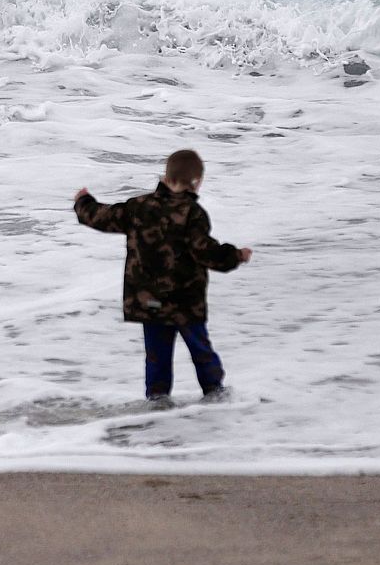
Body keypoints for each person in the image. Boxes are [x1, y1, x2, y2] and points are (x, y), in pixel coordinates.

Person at [73, 149, 251, 405]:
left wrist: (83, 201)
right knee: (201, 350)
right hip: (185, 302)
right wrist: (236, 255)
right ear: (197, 181)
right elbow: (206, 252)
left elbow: (101, 216)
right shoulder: (192, 213)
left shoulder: (139, 206)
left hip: (148, 300)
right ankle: (216, 394)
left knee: (156, 355)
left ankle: (157, 401)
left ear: (165, 176)